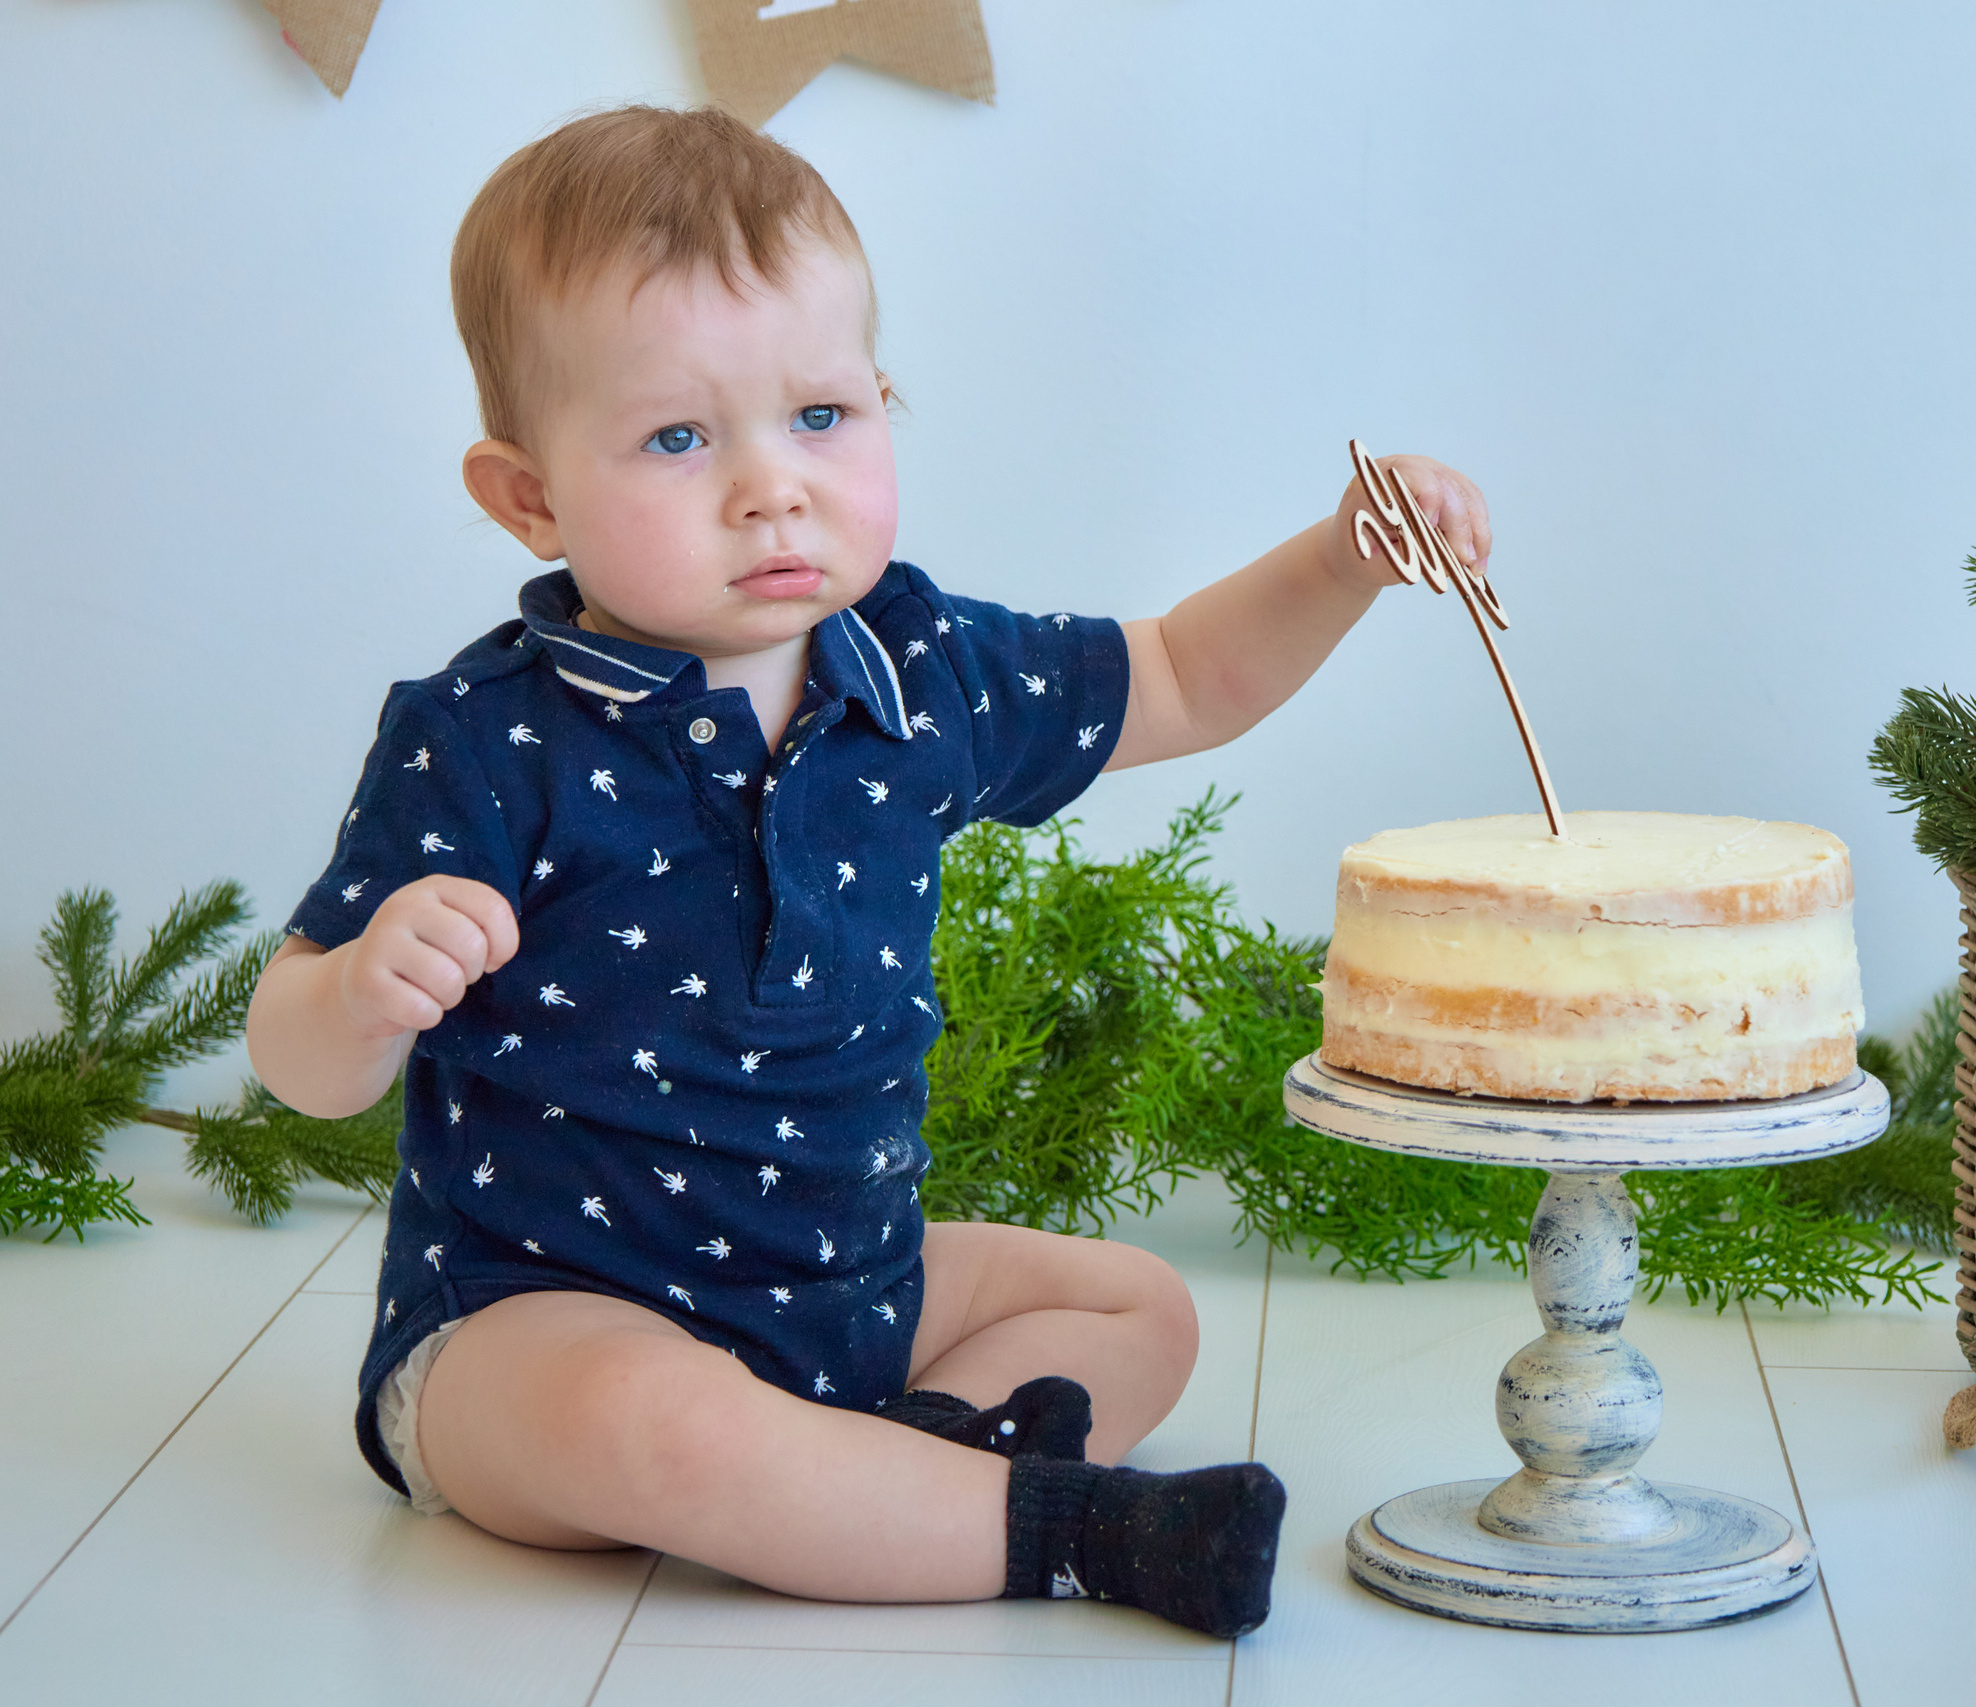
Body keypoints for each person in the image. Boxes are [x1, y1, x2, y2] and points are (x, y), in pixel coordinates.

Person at [242, 105, 1489, 1641]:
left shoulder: (917, 668)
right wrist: (366, 991)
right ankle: (1066, 1531)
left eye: (823, 415)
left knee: (1137, 1308)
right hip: (537, 1324)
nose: (773, 486)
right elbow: (296, 1060)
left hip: (847, 1301)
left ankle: (886, 1484)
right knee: (660, 1425)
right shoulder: (492, 738)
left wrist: (1347, 554)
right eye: (680, 438)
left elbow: (1181, 674)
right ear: (530, 495)